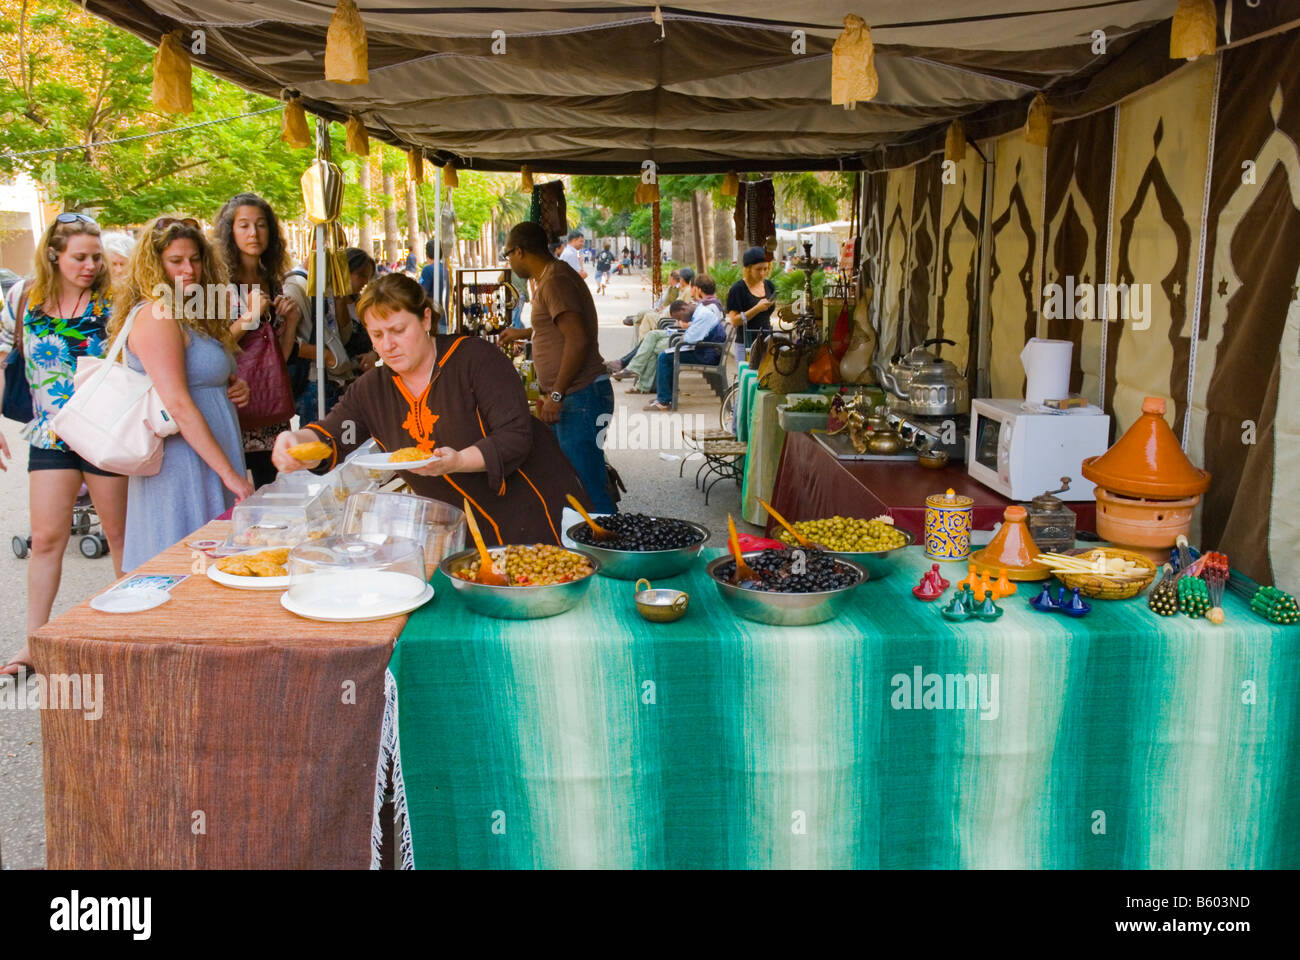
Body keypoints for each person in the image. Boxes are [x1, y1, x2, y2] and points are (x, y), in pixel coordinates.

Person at [271, 274, 589, 543]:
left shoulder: (475, 359)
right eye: (377, 334)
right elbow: (334, 437)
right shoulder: (373, 390)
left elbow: (516, 436)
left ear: (425, 319)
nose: (387, 345)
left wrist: (457, 460)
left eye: (398, 330)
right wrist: (297, 444)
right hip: (470, 534)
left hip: (539, 513)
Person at [0, 213, 129, 676]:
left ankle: (132, 638)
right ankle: (34, 644)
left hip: (106, 432)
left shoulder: (114, 300)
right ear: (53, 255)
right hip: (50, 433)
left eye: (96, 256)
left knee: (119, 539)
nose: (91, 265)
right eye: (80, 257)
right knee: (47, 539)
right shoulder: (22, 298)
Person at [111, 216, 253, 575]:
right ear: (154, 264)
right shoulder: (157, 314)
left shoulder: (189, 312)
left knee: (214, 568)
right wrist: (229, 475)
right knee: (185, 568)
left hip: (210, 454)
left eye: (195, 259)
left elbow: (200, 376)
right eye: (176, 261)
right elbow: (178, 402)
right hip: (183, 463)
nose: (188, 269)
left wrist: (230, 385)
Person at [498, 221, 614, 513]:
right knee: (573, 482)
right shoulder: (551, 277)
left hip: (579, 396)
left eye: (508, 254)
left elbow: (577, 340)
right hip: (577, 396)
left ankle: (612, 554)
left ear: (520, 251)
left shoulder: (555, 281)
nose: (508, 260)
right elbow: (557, 329)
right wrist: (523, 335)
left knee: (587, 486)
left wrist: (557, 394)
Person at [214, 193, 298, 488]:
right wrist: (249, 317)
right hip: (233, 400)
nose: (254, 233)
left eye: (261, 225)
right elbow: (212, 347)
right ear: (230, 231)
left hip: (269, 404)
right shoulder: (218, 284)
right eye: (244, 225)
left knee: (272, 488)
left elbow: (278, 358)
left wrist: (291, 323)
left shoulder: (273, 281)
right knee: (234, 491)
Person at [645, 274, 725, 411]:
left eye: (679, 317)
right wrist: (685, 335)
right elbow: (690, 336)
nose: (681, 321)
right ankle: (664, 395)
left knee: (664, 357)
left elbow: (690, 339)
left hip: (707, 354)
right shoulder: (699, 312)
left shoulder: (702, 315)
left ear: (683, 309)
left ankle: (663, 400)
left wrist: (684, 335)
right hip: (704, 350)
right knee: (667, 355)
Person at [726, 246, 776, 364]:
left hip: (766, 340)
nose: (762, 273)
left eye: (765, 268)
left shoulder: (769, 285)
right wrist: (757, 309)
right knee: (748, 377)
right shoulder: (738, 289)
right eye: (758, 269)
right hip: (746, 343)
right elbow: (734, 321)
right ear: (748, 269)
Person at [417, 239, 451, 332]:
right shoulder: (446, 270)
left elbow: (421, 293)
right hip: (445, 319)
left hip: (432, 320)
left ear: (427, 254)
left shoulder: (428, 270)